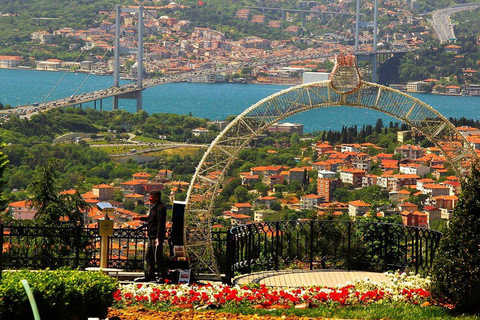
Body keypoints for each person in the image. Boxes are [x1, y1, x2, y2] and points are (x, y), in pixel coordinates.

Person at [134, 190, 168, 282]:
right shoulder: (154, 207)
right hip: (151, 236)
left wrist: (158, 237)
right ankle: (149, 276)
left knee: (158, 257)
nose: (149, 199)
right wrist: (139, 218)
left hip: (156, 237)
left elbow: (161, 224)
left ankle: (162, 276)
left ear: (157, 197)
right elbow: (150, 218)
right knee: (149, 257)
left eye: (151, 197)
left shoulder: (161, 208)